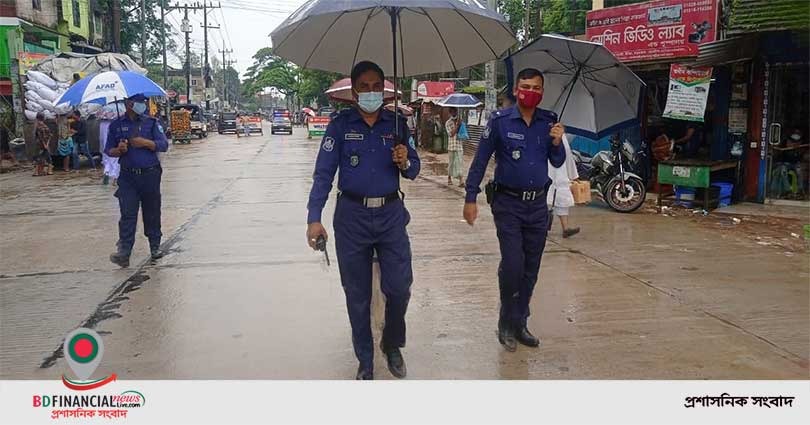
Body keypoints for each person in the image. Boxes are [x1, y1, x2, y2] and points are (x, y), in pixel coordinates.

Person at [306, 61, 420, 380]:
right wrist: (314, 218)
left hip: (391, 216)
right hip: (352, 218)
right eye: (364, 86)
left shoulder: (397, 124)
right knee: (357, 294)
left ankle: (392, 343)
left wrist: (405, 159)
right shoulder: (340, 125)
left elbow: (414, 169)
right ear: (354, 91)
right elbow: (323, 174)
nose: (371, 92)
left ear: (383, 90)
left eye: (376, 86)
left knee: (399, 288)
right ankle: (365, 360)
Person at [463, 67, 565, 352]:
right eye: (525, 86)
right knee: (512, 264)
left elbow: (557, 162)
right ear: (516, 89)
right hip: (508, 204)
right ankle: (506, 322)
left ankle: (520, 322)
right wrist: (470, 197)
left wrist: (557, 142)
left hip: (538, 205)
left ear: (542, 92)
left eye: (535, 87)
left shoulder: (549, 121)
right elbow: (481, 160)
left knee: (531, 268)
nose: (530, 92)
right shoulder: (499, 121)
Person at [105, 94, 169, 268]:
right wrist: (119, 150)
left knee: (152, 211)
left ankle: (155, 246)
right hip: (128, 177)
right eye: (138, 102)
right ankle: (124, 252)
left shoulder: (152, 123)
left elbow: (163, 145)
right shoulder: (116, 125)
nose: (142, 105)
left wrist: (145, 143)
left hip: (150, 175)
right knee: (127, 214)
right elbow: (108, 150)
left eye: (143, 102)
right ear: (128, 104)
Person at [547, 135, 580, 238]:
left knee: (563, 201)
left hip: (561, 174)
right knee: (545, 201)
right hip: (547, 172)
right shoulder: (540, 132)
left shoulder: (562, 136)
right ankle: (541, 229)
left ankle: (565, 228)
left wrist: (573, 175)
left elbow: (568, 155)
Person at [446, 108, 464, 186]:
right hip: (451, 146)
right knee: (451, 164)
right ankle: (449, 178)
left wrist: (460, 125)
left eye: (455, 112)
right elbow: (451, 134)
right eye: (452, 112)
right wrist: (457, 126)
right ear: (450, 113)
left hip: (459, 145)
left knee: (459, 163)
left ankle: (461, 180)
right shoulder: (448, 123)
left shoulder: (460, 121)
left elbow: (463, 133)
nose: (454, 114)